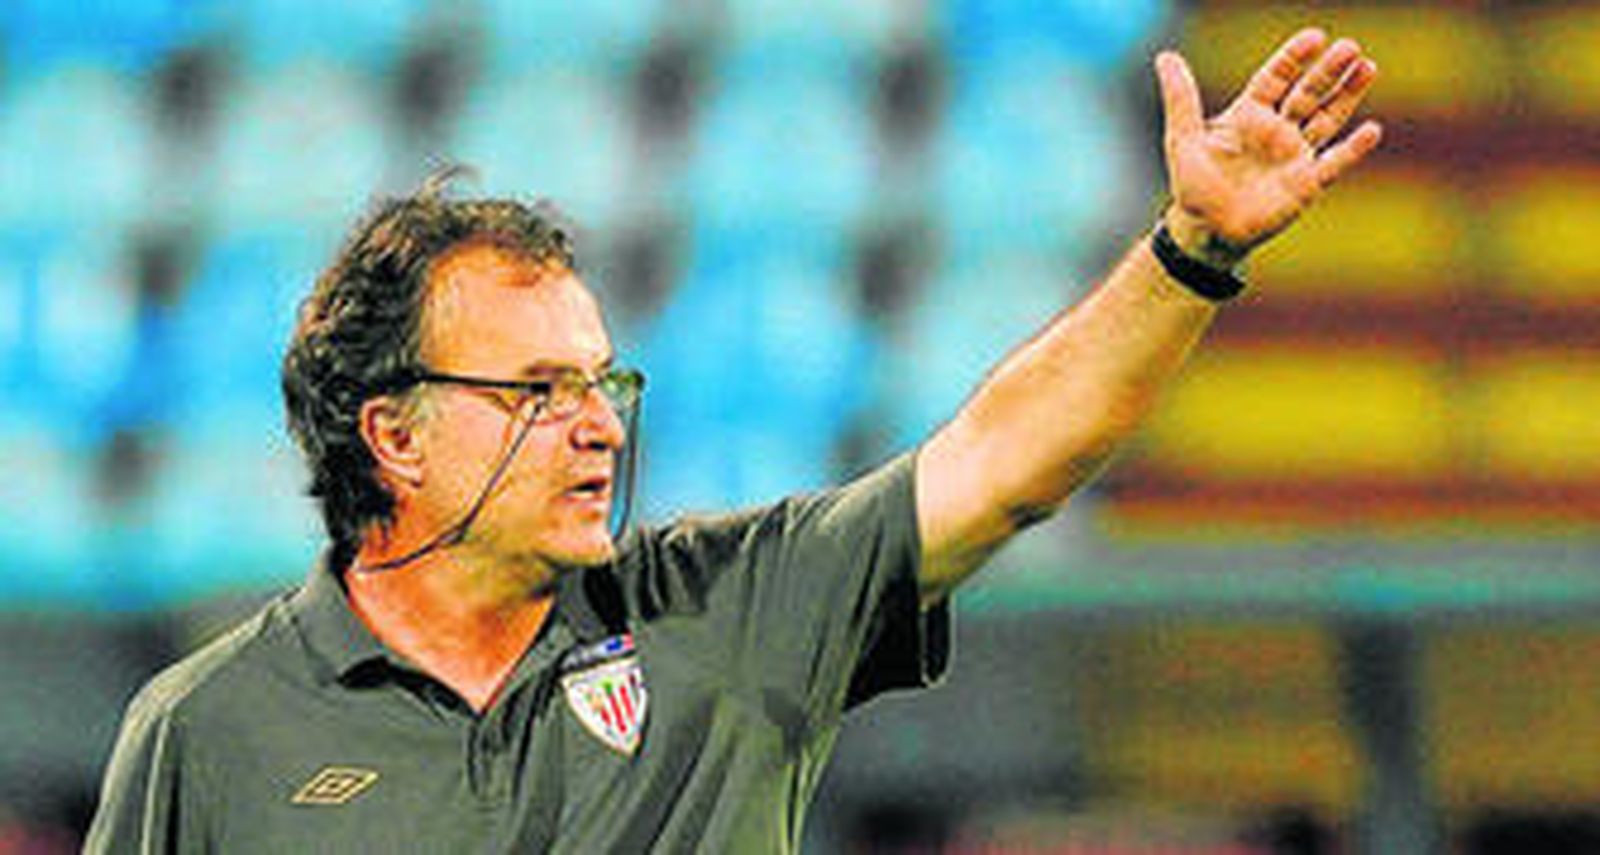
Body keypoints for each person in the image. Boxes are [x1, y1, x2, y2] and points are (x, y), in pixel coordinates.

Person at [85, 28, 1382, 853]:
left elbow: (1006, 464)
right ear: (395, 436)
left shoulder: (732, 606)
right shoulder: (205, 733)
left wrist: (1190, 252)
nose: (598, 424)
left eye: (604, 382)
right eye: (538, 390)